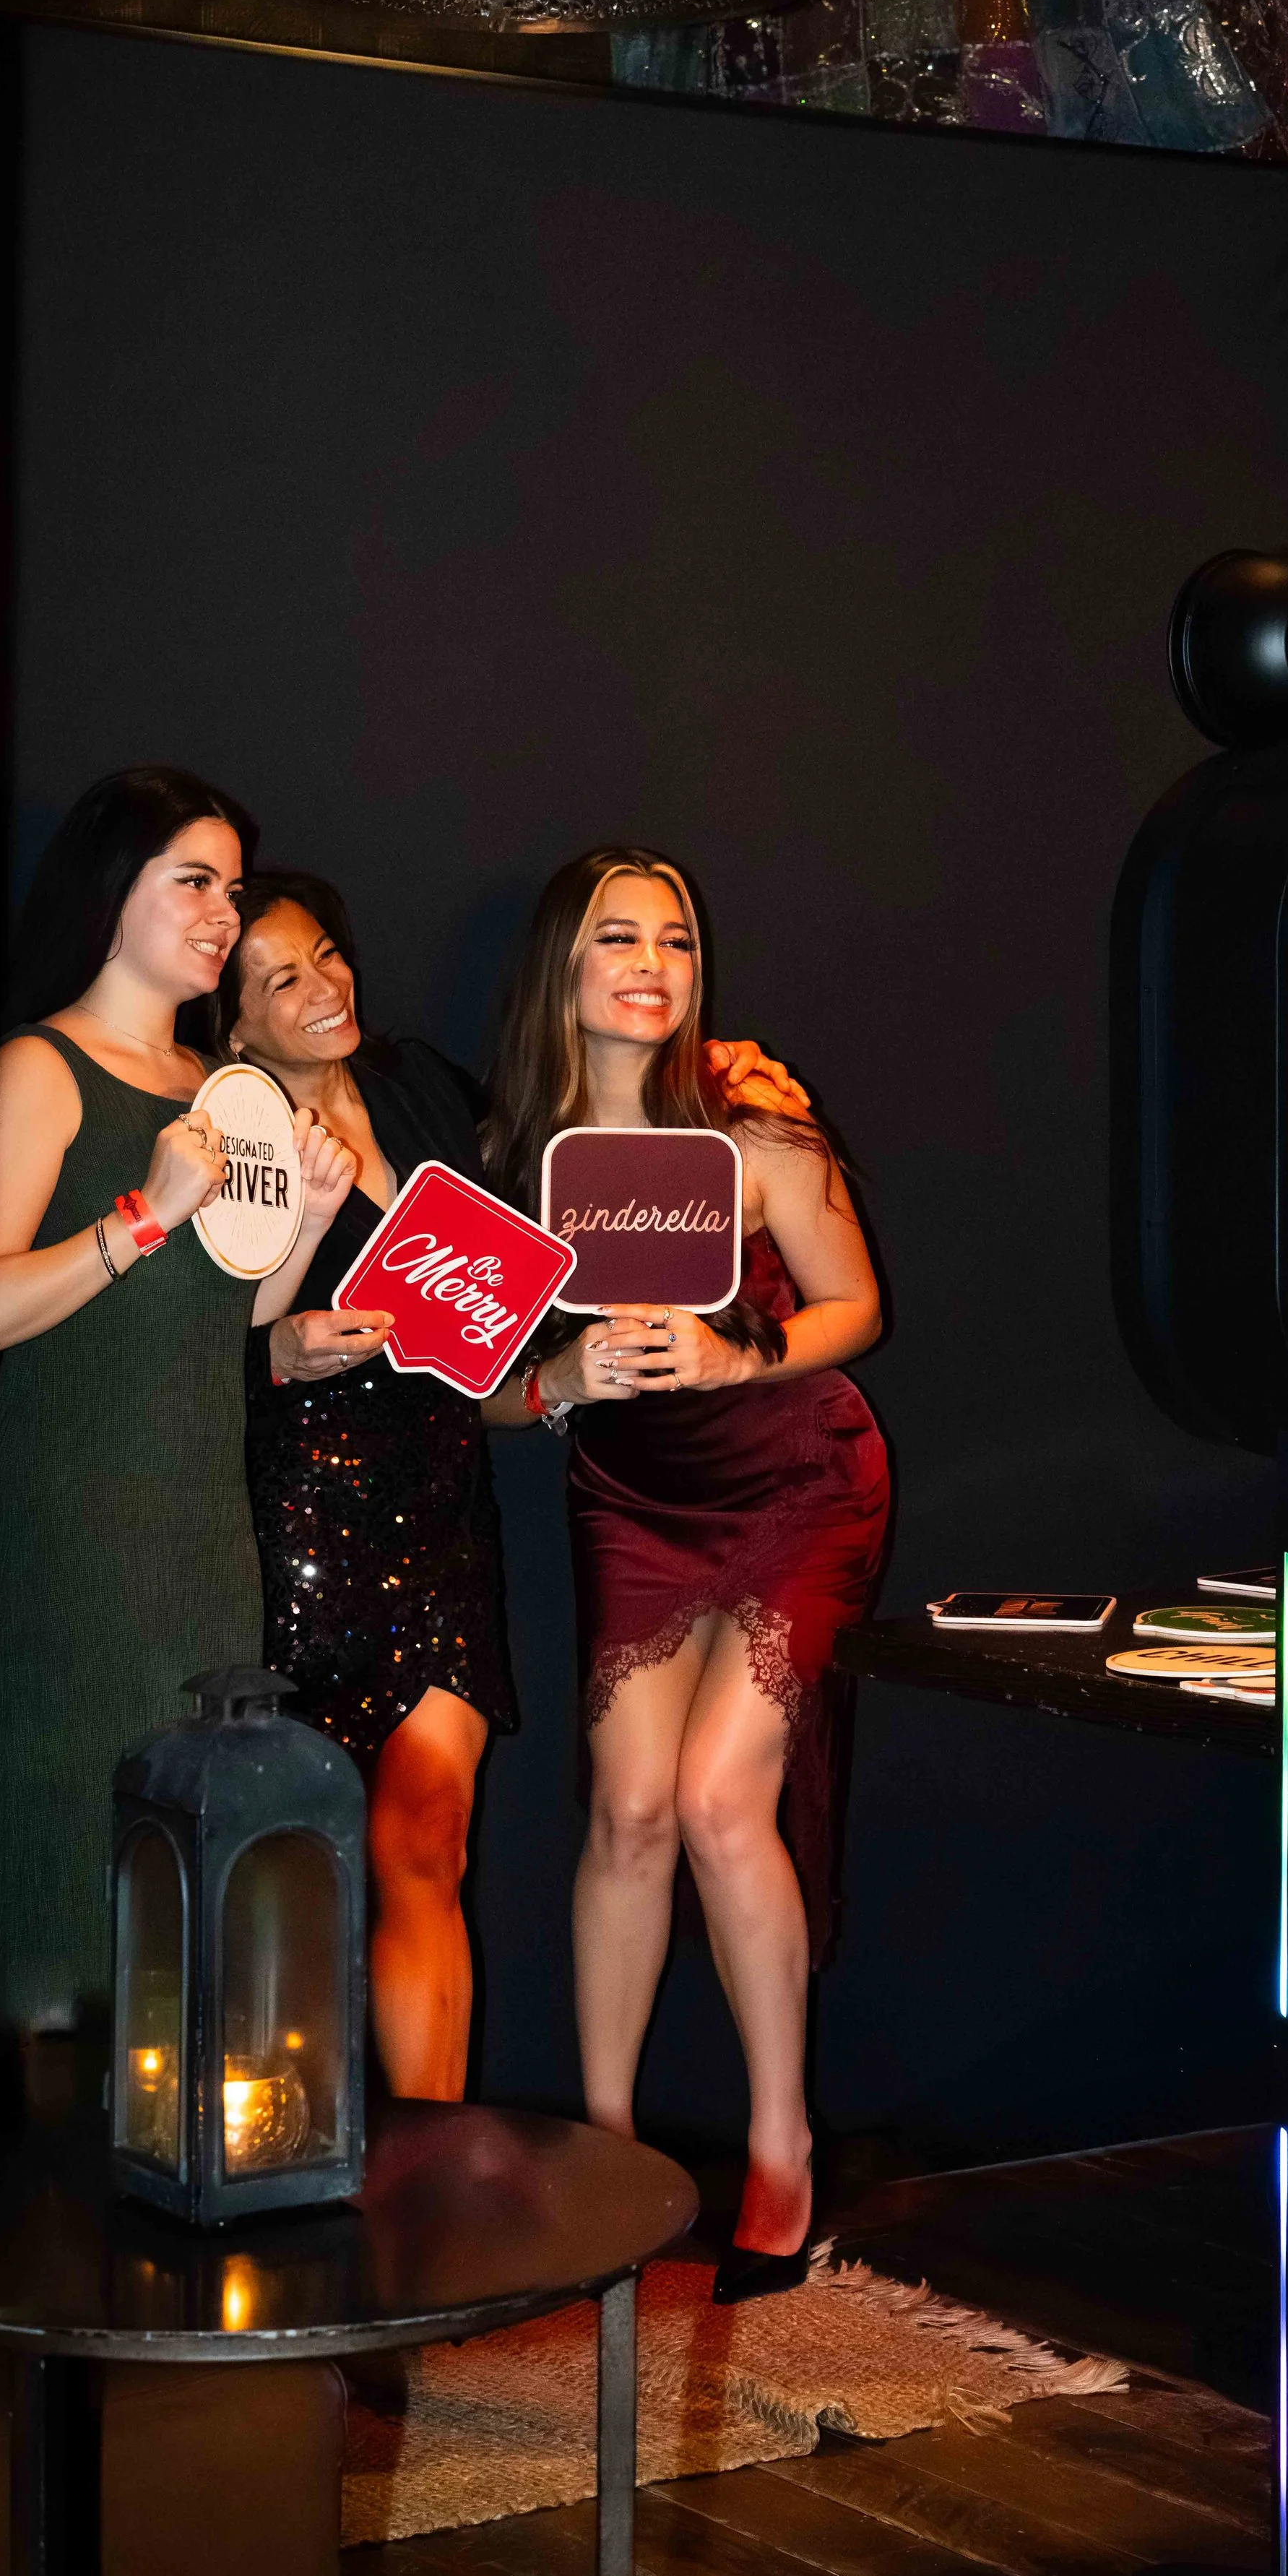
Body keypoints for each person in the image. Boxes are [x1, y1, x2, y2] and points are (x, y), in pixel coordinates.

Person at [213, 868, 812, 2102]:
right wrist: (270, 1351)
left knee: (428, 1834)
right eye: (280, 978)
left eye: (328, 953)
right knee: (294, 1856)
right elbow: (161, 1350)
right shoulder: (223, 1144)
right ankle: (293, 2148)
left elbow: (568, 1144)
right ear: (232, 1028)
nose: (323, 986)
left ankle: (425, 2161)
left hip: (440, 1510)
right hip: (294, 1525)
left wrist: (715, 1074)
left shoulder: (421, 1087)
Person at [485, 846, 889, 2299]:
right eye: (618, 938)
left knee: (722, 1800)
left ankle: (781, 2147)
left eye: (675, 940)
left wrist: (733, 1352)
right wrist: (558, 1381)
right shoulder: (513, 1165)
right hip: (634, 1504)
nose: (652, 964)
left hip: (799, 1486)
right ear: (564, 965)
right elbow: (479, 1394)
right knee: (631, 1812)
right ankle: (606, 2158)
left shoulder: (752, 1128)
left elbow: (857, 1306)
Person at [0, 769, 354, 2039]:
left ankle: (159, 2137)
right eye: (194, 880)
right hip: (77, 1547)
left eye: (232, 886)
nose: (224, 911)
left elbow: (225, 1319)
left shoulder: (219, 1081)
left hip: (204, 1539)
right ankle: (35, 2132)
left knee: (188, 1870)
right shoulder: (41, 1067)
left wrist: (309, 1221)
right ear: (110, 888)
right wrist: (142, 1215)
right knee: (72, 1862)